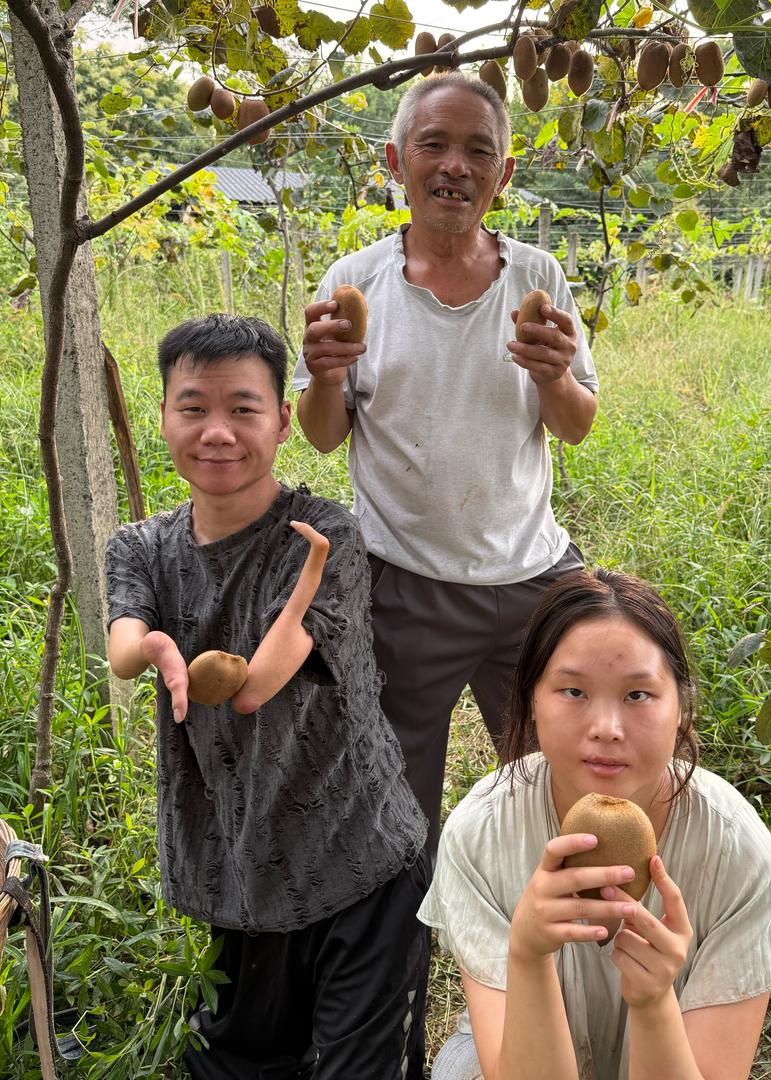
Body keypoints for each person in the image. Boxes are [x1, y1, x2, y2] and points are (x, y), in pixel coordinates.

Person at [104, 314, 430, 1079]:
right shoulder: (140, 547)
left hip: (363, 863)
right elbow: (123, 645)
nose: (217, 431)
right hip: (240, 874)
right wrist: (153, 647)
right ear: (163, 417)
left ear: (283, 421)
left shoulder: (326, 534)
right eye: (193, 407)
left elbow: (254, 687)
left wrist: (310, 571)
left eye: (243, 409)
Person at [295, 72, 599, 848]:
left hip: (533, 578)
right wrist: (324, 377)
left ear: (505, 173)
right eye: (433, 145)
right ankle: (408, 925)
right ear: (396, 162)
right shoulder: (355, 282)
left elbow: (575, 425)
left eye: (478, 151)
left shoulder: (537, 278)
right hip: (404, 583)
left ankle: (545, 918)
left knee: (562, 786)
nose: (455, 166)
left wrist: (554, 376)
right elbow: (323, 435)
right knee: (398, 810)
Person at [419, 569, 771, 1080]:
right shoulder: (481, 833)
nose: (606, 729)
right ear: (532, 699)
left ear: (682, 707)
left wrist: (654, 1002)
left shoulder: (740, 855)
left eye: (637, 695)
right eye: (573, 691)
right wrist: (529, 955)